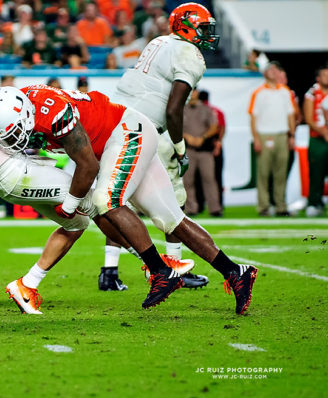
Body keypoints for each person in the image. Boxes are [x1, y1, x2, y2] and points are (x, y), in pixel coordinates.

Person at [0, 47, 192, 314]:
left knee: (76, 223)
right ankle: (157, 266)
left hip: (18, 169)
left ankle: (26, 285)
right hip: (14, 174)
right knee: (98, 202)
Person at [0, 83, 259, 315]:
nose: (16, 139)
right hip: (123, 137)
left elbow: (88, 167)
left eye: (15, 132)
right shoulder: (18, 103)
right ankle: (236, 272)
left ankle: (159, 271)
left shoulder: (53, 114)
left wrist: (70, 205)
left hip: (126, 133)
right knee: (171, 219)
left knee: (106, 200)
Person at [111, 2, 220, 289]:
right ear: (187, 25)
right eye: (204, 27)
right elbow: (173, 110)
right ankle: (174, 267)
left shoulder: (158, 42)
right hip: (147, 131)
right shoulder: (188, 53)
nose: (207, 34)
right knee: (175, 201)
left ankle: (109, 270)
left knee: (113, 200)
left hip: (118, 123)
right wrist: (180, 147)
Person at [248, 61, 295, 216]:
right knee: (263, 173)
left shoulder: (285, 91)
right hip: (264, 134)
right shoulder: (258, 92)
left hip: (282, 133)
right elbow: (253, 117)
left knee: (281, 173)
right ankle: (264, 206)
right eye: (271, 70)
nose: (274, 72)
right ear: (265, 73)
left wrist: (291, 136)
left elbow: (291, 115)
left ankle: (281, 206)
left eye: (276, 70)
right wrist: (256, 138)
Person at [182, 87, 221, 216]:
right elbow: (174, 126)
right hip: (188, 149)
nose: (192, 94)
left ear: (197, 93)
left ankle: (215, 209)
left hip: (204, 149)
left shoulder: (206, 109)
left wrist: (202, 138)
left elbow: (214, 127)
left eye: (194, 91)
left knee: (209, 179)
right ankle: (191, 208)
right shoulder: (181, 109)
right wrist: (188, 137)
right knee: (187, 180)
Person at [303, 64, 328, 217]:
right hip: (317, 138)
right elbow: (309, 118)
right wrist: (324, 132)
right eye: (325, 75)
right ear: (318, 78)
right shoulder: (312, 93)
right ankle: (314, 202)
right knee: (316, 172)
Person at [199, 89, 226, 209]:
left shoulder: (198, 110)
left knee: (197, 178)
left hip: (201, 146)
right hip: (214, 145)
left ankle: (199, 205)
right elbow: (222, 127)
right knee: (216, 177)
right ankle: (218, 204)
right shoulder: (217, 111)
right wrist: (219, 142)